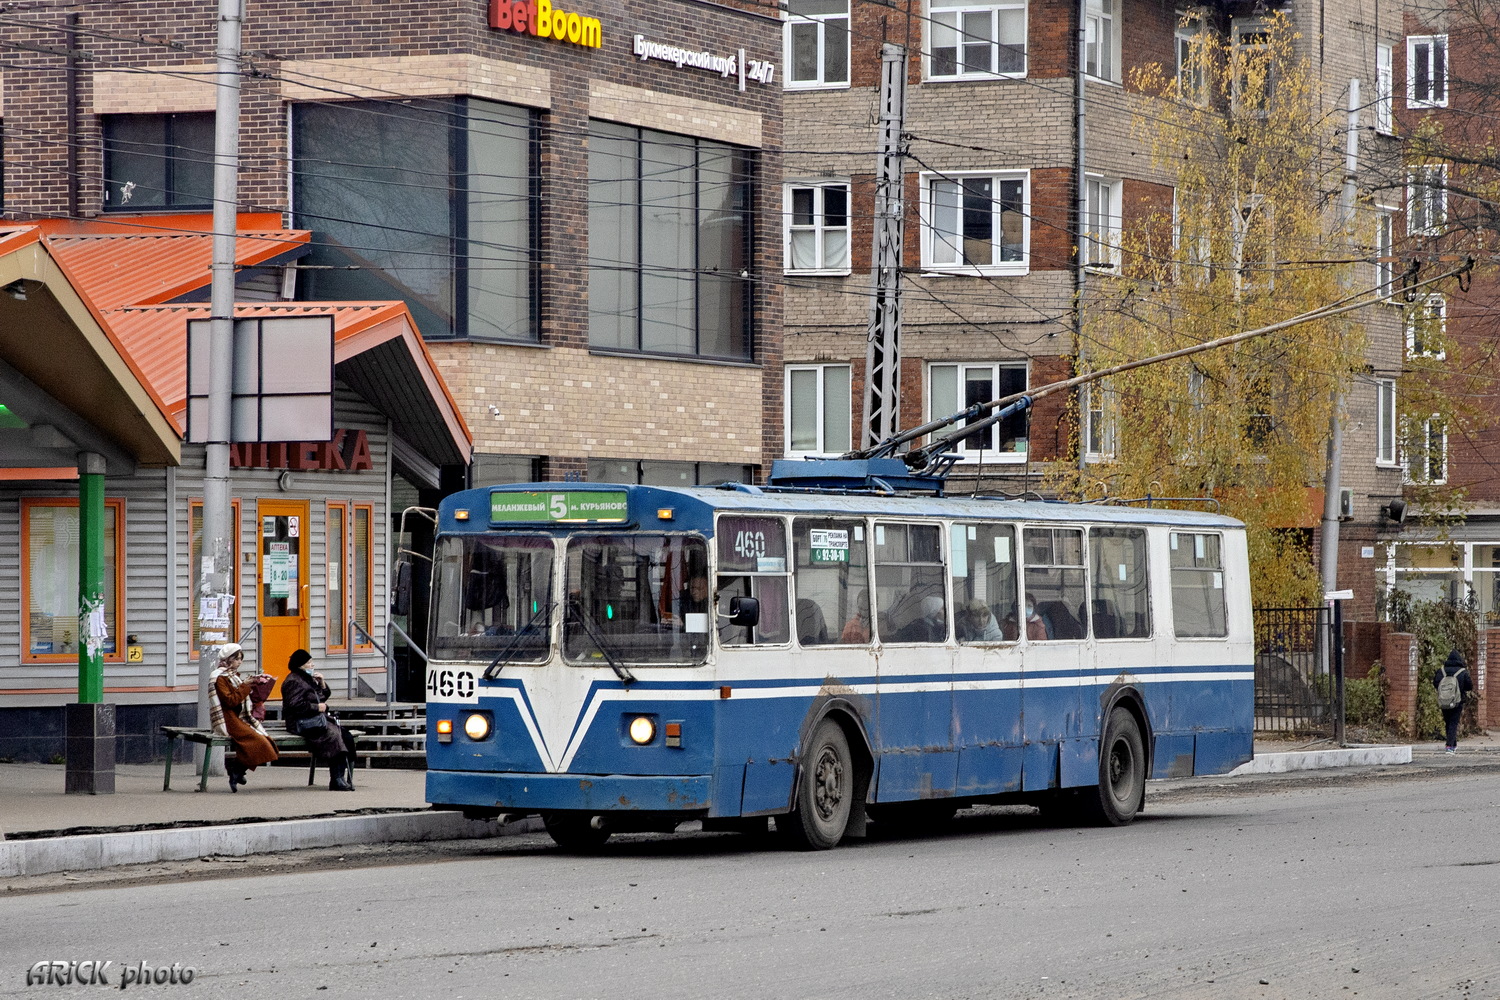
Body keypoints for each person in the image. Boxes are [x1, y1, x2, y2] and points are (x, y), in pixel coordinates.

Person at [281, 649, 357, 791]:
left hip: (314, 719)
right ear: (300, 665)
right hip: (301, 722)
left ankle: (342, 776)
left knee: (345, 735)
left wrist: (322, 683)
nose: (312, 665)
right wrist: (317, 708)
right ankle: (336, 779)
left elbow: (321, 697)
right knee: (334, 736)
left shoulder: (305, 678)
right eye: (309, 663)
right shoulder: (293, 681)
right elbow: (294, 705)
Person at [209, 643, 278, 792]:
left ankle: (237, 771)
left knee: (265, 741)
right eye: (237, 659)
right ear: (228, 659)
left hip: (238, 717)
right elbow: (230, 700)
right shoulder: (219, 678)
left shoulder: (233, 676)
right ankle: (237, 770)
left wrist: (257, 686)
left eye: (241, 659)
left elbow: (239, 697)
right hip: (228, 719)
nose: (240, 662)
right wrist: (246, 686)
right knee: (260, 742)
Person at [1433, 648, 1474, 754]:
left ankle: (1453, 744)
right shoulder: (1462, 672)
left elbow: (1435, 683)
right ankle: (1450, 746)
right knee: (1453, 723)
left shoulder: (1442, 670)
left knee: (1448, 722)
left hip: (1444, 701)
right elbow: (1469, 686)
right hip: (1457, 701)